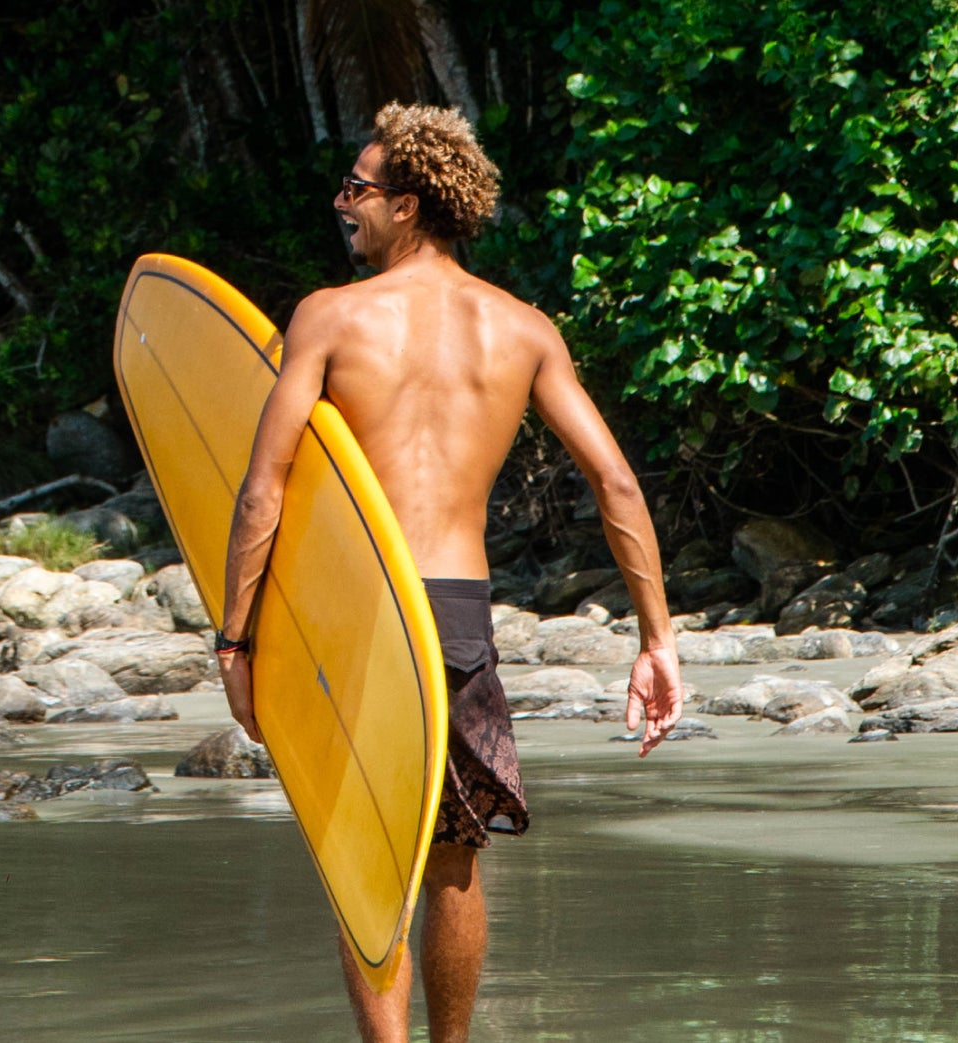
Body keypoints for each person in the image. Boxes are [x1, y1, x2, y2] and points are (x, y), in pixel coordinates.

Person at [214, 103, 685, 1043]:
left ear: (408, 205)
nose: (342, 202)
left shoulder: (329, 317)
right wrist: (657, 640)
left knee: (363, 855)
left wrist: (236, 637)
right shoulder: (523, 329)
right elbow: (618, 483)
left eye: (357, 188)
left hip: (361, 608)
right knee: (454, 855)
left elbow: (262, 490)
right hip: (459, 615)